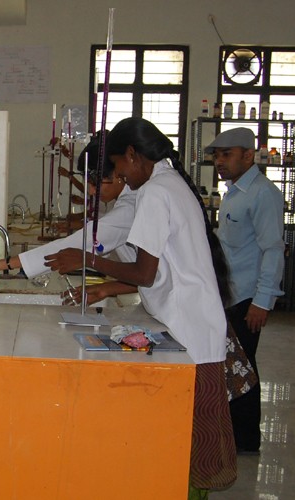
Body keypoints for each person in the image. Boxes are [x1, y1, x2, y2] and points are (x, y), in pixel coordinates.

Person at [45, 117, 236, 497]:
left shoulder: (154, 192)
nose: (121, 177)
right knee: (189, 444)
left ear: (133, 155)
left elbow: (145, 273)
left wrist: (89, 260)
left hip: (191, 330)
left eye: (118, 168)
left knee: (190, 448)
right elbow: (163, 268)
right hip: (194, 323)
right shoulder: (171, 183)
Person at [0, 131, 138, 285]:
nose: (92, 191)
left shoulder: (128, 209)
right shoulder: (123, 201)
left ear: (117, 175)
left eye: (95, 183)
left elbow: (78, 242)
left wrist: (0, 264)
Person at [206, 127, 285, 454]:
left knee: (244, 368)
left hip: (247, 298)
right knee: (235, 365)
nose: (219, 162)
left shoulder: (262, 194)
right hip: (230, 293)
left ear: (248, 155)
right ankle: (237, 435)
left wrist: (262, 302)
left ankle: (247, 441)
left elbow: (273, 249)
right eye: (216, 156)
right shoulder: (235, 192)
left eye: (226, 155)